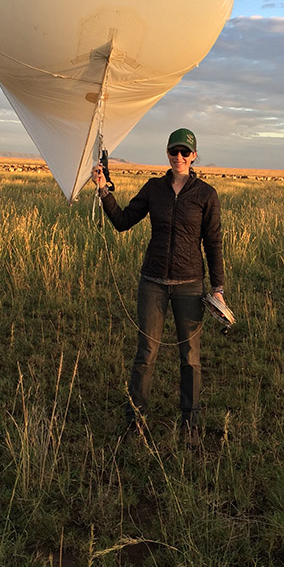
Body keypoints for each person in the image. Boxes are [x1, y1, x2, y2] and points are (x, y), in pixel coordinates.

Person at [91, 128, 225, 446]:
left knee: (190, 356)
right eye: (172, 152)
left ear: (194, 155)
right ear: (167, 154)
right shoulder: (154, 189)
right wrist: (103, 191)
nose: (178, 157)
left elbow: (214, 242)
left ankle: (190, 424)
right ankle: (134, 422)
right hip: (152, 282)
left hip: (190, 286)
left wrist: (218, 287)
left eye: (184, 152)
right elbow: (123, 221)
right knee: (145, 354)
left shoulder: (206, 194)